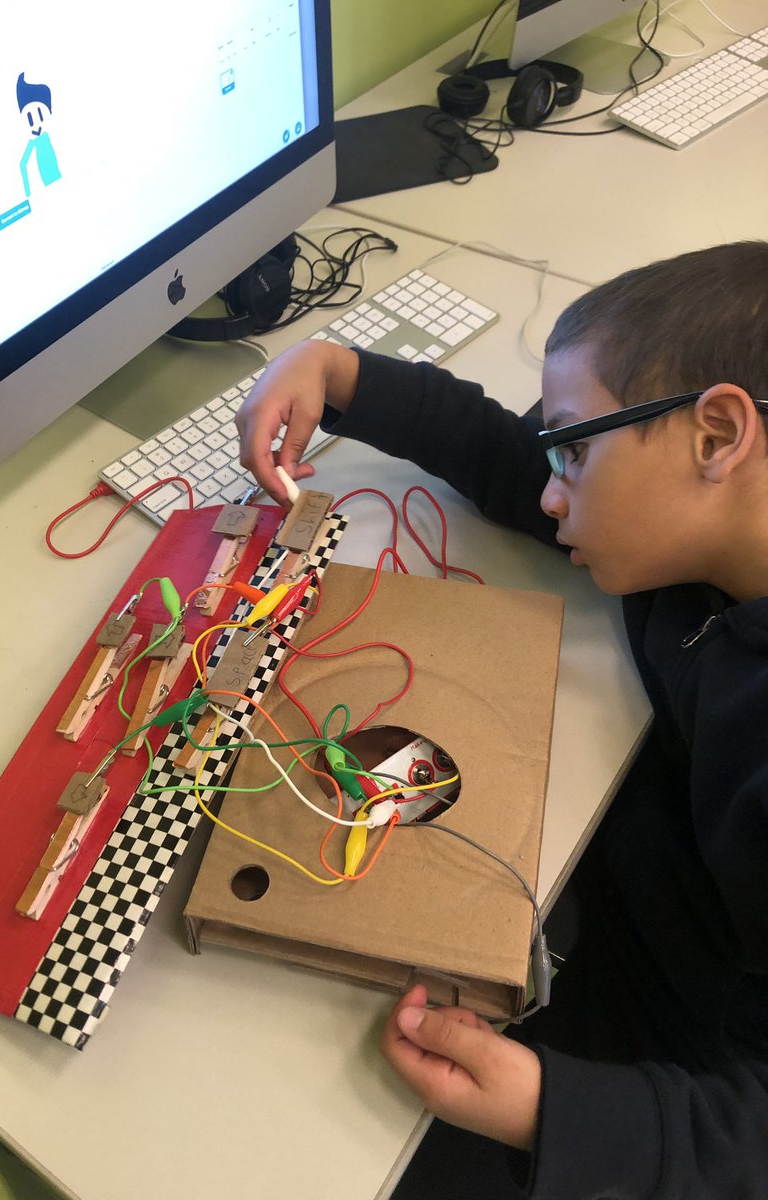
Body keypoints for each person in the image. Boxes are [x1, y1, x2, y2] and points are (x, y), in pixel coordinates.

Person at [235, 240, 768, 1199]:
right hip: (645, 892)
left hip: (688, 1064)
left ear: (718, 436)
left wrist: (549, 1109)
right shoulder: (706, 534)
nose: (551, 487)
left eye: (576, 449)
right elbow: (513, 464)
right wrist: (339, 372)